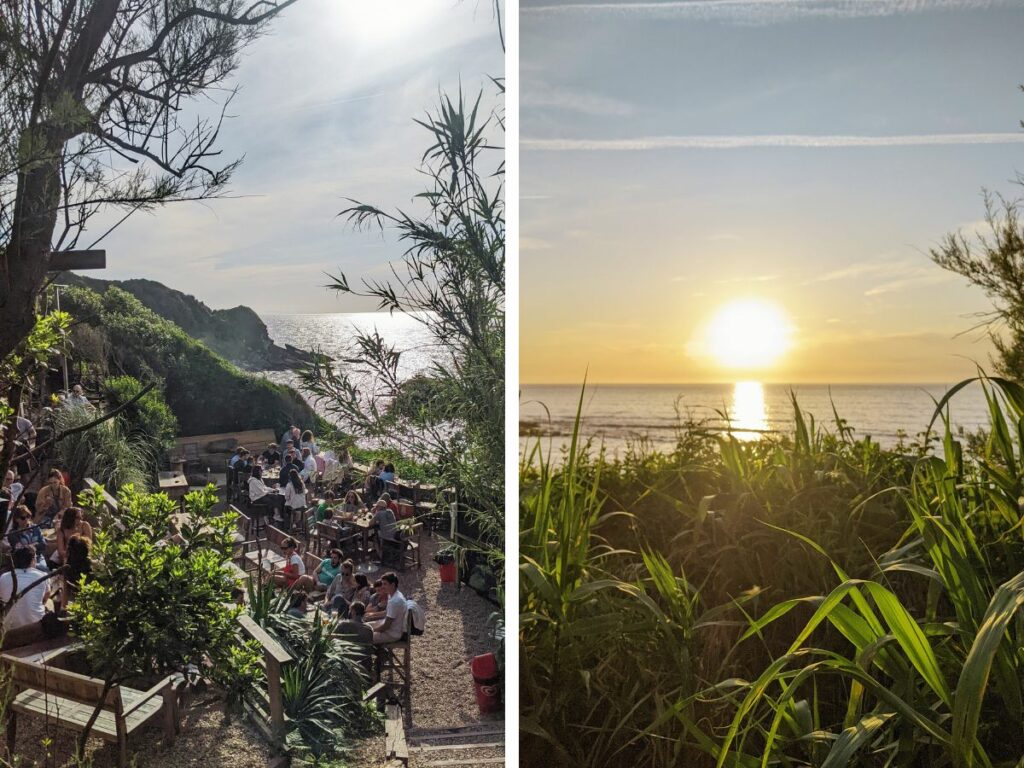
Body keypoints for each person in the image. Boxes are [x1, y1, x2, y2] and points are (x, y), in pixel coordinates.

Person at [0, 546, 52, 641]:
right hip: (35, 627)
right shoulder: (42, 576)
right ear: (32, 560)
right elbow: (45, 598)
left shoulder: (3, 578)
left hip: (8, 630)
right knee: (50, 603)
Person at [367, 571, 407, 644]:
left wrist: (372, 630)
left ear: (393, 585)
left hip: (392, 634)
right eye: (382, 584)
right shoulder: (392, 594)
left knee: (362, 636)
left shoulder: (395, 601)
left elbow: (386, 626)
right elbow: (387, 613)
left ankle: (379, 653)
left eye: (385, 584)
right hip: (386, 626)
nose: (382, 586)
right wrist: (372, 615)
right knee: (363, 626)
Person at [62, 534, 92, 610]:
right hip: (91, 600)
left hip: (74, 601)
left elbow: (65, 592)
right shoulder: (92, 566)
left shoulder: (67, 568)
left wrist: (63, 609)